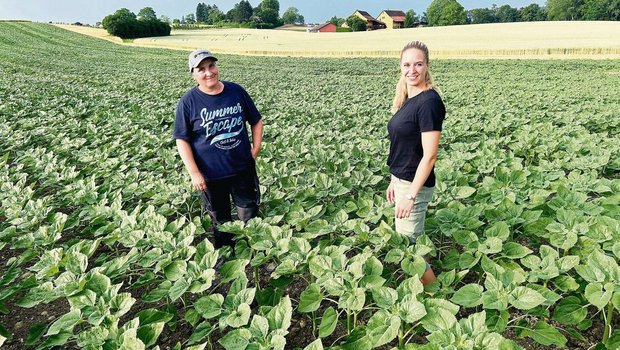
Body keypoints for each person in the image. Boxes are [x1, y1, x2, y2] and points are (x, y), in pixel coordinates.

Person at [174, 49, 263, 250]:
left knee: (249, 215)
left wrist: (255, 149)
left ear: (217, 66)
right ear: (193, 74)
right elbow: (182, 139)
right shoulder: (188, 102)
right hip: (210, 176)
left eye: (211, 66)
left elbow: (256, 121)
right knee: (220, 220)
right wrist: (194, 173)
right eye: (201, 69)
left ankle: (254, 257)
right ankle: (227, 257)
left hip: (242, 169)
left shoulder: (236, 91)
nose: (208, 72)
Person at [386, 41, 445, 285]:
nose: (412, 70)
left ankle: (435, 297)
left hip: (414, 185)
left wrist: (410, 195)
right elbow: (403, 146)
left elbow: (429, 155)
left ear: (427, 66)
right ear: (400, 67)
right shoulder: (408, 98)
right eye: (407, 64)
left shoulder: (429, 102)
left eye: (418, 64)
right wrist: (393, 180)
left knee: (409, 250)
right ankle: (430, 285)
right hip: (403, 181)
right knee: (413, 238)